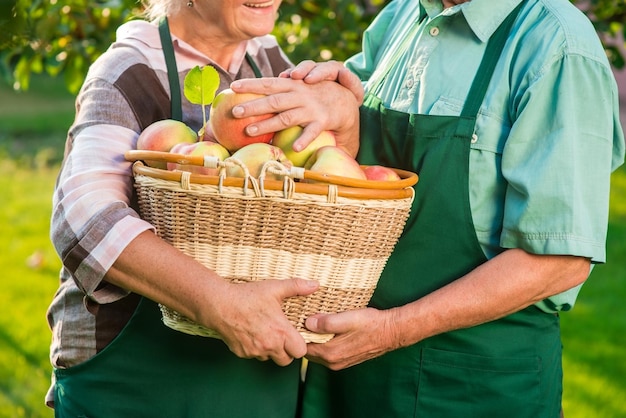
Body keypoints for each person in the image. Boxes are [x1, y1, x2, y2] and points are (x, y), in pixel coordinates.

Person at [229, 0, 626, 416]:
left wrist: (393, 329)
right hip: (348, 373)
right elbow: (350, 165)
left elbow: (559, 258)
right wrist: (337, 104)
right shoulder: (402, 15)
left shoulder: (555, 45)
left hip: (469, 382)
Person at [45, 0, 360, 415]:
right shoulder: (131, 71)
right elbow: (83, 218)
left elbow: (324, 188)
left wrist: (344, 119)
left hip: (255, 380)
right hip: (139, 387)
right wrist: (220, 304)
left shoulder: (271, 62)